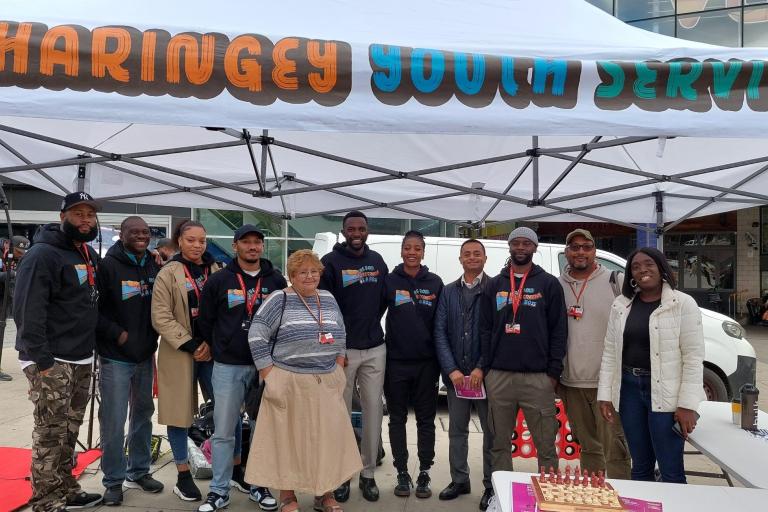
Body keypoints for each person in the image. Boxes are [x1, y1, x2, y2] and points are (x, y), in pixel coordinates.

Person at [247, 249, 362, 512]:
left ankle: (325, 495)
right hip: (288, 380)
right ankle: (288, 496)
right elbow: (257, 335)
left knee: (327, 441)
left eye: (314, 271)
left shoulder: (329, 298)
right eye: (303, 272)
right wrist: (269, 375)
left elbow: (341, 333)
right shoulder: (280, 299)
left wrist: (339, 367)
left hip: (326, 381)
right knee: (288, 441)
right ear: (292, 276)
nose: (309, 276)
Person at [14, 192, 104, 511]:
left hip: (81, 355)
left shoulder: (87, 253)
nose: (85, 220)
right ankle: (46, 498)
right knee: (51, 430)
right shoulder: (42, 254)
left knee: (70, 427)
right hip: (51, 358)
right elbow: (27, 309)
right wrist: (43, 361)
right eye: (78, 214)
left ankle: (66, 487)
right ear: (62, 216)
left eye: (90, 215)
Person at [196, 225, 285, 512]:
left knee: (263, 430)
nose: (252, 247)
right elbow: (205, 321)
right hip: (228, 366)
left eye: (257, 242)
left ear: (262, 246)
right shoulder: (219, 280)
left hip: (265, 368)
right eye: (246, 242)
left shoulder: (276, 280)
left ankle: (259, 487)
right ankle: (219, 491)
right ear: (235, 246)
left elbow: (284, 321)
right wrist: (215, 347)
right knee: (223, 431)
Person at [598, 247, 704, 483]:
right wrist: (605, 394)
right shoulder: (621, 305)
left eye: (648, 264)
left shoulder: (682, 304)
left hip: (666, 393)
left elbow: (694, 358)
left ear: (661, 268)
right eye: (635, 267)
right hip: (629, 391)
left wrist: (687, 405)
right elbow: (609, 353)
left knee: (671, 469)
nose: (642, 270)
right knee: (640, 467)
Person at [480, 227, 567, 475]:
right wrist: (487, 369)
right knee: (498, 443)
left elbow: (559, 330)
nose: (520, 248)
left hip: (538, 378)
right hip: (499, 376)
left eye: (526, 243)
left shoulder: (549, 284)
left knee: (546, 445)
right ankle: (499, 494)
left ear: (535, 248)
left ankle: (548, 495)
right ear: (509, 247)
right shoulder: (495, 284)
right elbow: (485, 329)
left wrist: (553, 372)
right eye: (516, 243)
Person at [319, 211, 388, 503]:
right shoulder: (330, 263)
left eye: (361, 228)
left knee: (373, 412)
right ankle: (342, 476)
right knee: (340, 416)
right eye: (351, 229)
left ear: (367, 231)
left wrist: (370, 325)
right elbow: (324, 307)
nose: (357, 233)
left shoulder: (377, 261)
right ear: (343, 231)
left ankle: (368, 474)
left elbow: (384, 300)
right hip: (342, 353)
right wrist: (337, 348)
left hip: (374, 349)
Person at [96, 216, 164, 506]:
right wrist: (117, 334)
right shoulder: (107, 266)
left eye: (145, 232)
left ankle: (139, 470)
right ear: (121, 234)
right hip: (116, 358)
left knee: (143, 415)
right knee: (113, 421)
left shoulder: (152, 263)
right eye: (134, 232)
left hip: (145, 355)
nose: (141, 236)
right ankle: (113, 480)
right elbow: (92, 309)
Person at [152, 220, 220, 502]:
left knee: (226, 410)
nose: (197, 245)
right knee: (179, 414)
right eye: (191, 240)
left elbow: (227, 311)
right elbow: (161, 317)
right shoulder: (168, 273)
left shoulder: (216, 270)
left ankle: (234, 467)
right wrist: (192, 344)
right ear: (179, 241)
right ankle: (182, 474)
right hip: (181, 352)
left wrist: (212, 343)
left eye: (202, 240)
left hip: (213, 352)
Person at [557, 229, 631, 480]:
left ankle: (623, 497)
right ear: (567, 252)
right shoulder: (557, 286)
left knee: (615, 449)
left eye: (586, 247)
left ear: (594, 251)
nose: (580, 252)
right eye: (574, 247)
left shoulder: (615, 281)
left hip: (607, 385)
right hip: (571, 383)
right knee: (588, 447)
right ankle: (595, 498)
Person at [434, 239, 495, 510]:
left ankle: (491, 485)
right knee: (457, 431)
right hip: (456, 378)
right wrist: (452, 369)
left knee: (491, 433)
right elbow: (440, 332)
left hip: (486, 378)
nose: (472, 258)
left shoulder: (496, 289)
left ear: (485, 258)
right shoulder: (448, 292)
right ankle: (460, 480)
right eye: (467, 254)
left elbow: (496, 333)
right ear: (460, 259)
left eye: (476, 254)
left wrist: (481, 367)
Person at [383, 231, 443, 499]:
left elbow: (442, 325)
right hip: (395, 362)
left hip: (427, 364)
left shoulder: (435, 283)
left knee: (425, 421)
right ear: (401, 251)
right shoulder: (390, 280)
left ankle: (424, 472)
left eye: (417, 248)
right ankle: (402, 472)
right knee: (396, 419)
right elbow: (372, 313)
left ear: (423, 252)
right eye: (407, 247)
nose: (411, 252)